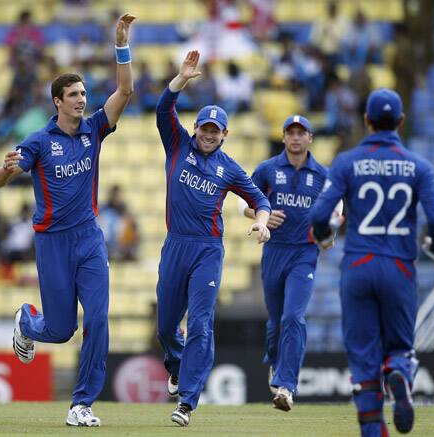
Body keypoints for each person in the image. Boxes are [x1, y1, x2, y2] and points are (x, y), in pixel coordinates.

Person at [0, 13, 136, 427]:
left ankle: (81, 404)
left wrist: (121, 45)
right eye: (73, 94)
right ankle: (27, 321)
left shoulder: (94, 130)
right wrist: (5, 169)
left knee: (99, 318)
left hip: (89, 237)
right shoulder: (38, 140)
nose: (81, 99)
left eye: (84, 93)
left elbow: (126, 89)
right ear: (57, 101)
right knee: (59, 331)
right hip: (52, 243)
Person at [310, 89, 434, 436]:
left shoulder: (346, 162)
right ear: (401, 122)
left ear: (366, 121)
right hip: (400, 267)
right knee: (400, 348)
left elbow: (318, 214)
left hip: (358, 265)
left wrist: (324, 235)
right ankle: (399, 372)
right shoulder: (419, 166)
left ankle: (374, 426)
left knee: (362, 361)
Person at [156, 50, 271, 427]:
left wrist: (264, 222)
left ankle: (187, 402)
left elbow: (259, 199)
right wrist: (180, 81)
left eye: (214, 130)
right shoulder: (178, 146)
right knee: (166, 325)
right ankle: (175, 367)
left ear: (225, 134)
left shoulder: (230, 168)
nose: (207, 134)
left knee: (201, 324)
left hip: (207, 250)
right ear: (196, 129)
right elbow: (162, 111)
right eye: (203, 128)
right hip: (175, 245)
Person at [238, 115, 340, 411]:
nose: (296, 138)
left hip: (304, 254)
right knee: (275, 324)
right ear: (283, 137)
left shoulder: (323, 174)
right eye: (290, 133)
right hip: (274, 251)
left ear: (310, 138)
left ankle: (286, 386)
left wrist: (328, 232)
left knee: (293, 317)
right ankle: (276, 362)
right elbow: (242, 202)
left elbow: (336, 210)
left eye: (302, 133)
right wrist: (262, 217)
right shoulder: (268, 169)